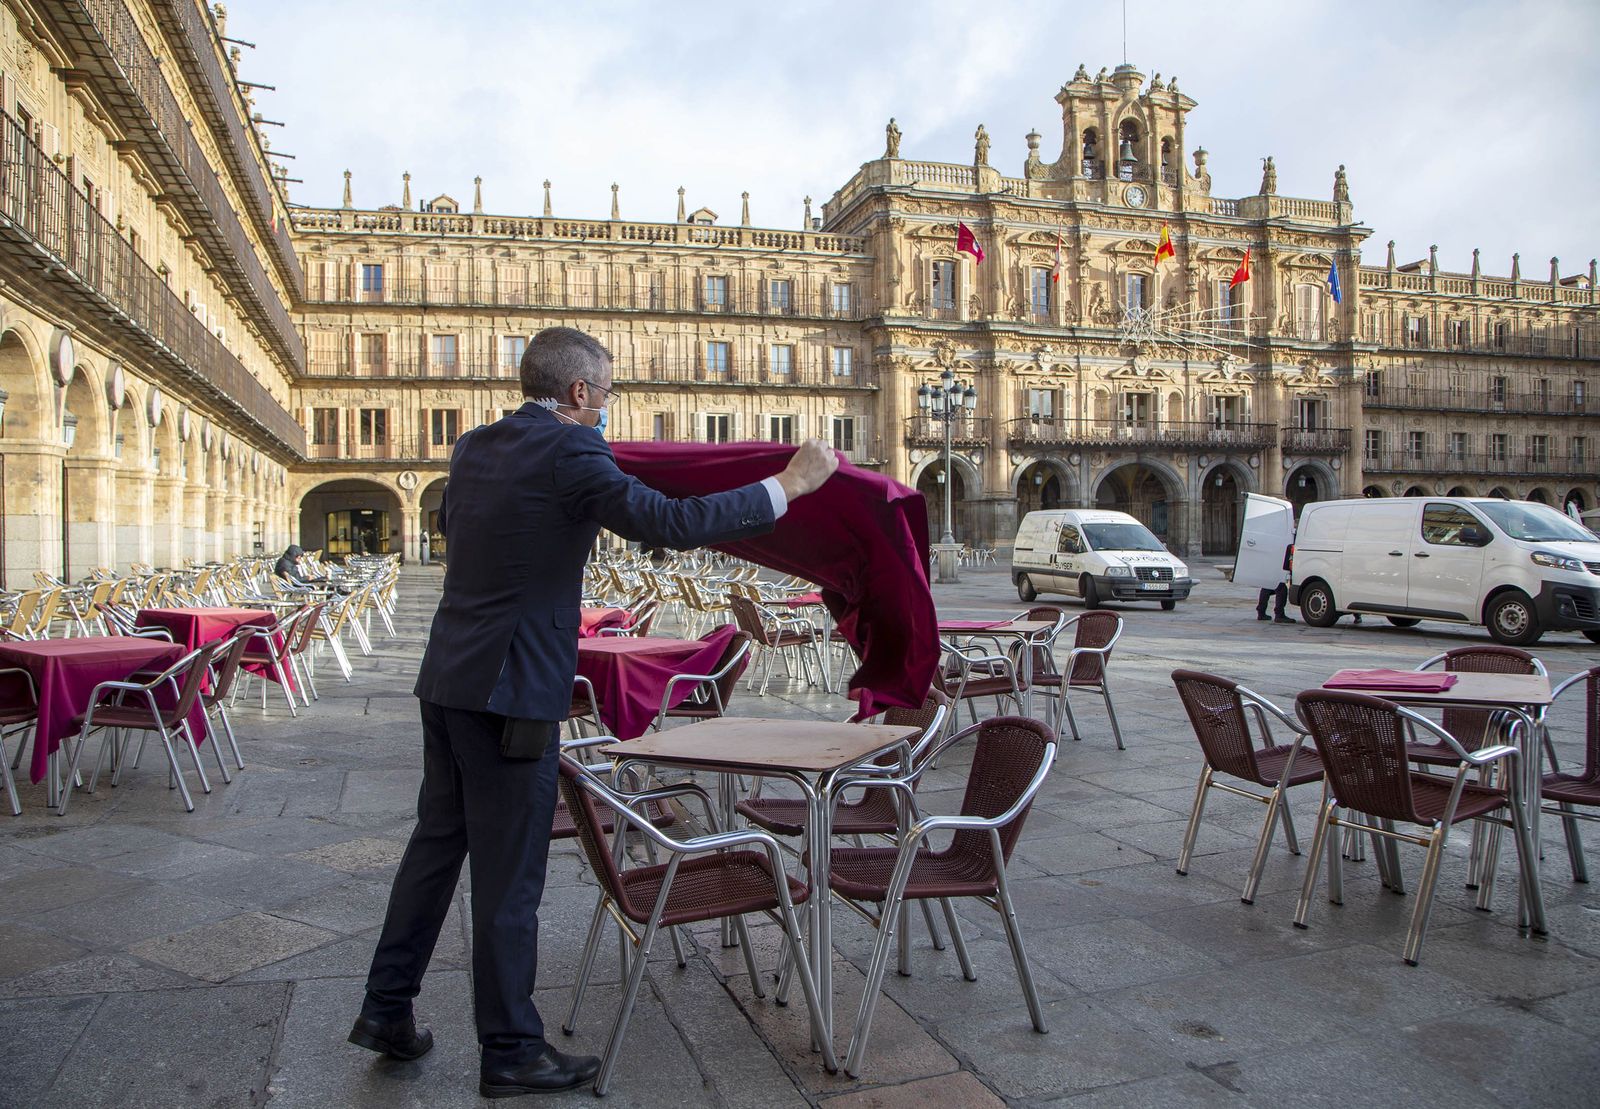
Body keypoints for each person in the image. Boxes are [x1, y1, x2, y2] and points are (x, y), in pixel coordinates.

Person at [348, 326, 838, 1098]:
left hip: (448, 679)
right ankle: (510, 1046)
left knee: (435, 849)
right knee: (510, 878)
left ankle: (386, 1008)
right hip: (513, 691)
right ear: (580, 393)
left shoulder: (475, 446)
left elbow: (476, 534)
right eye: (606, 396)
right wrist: (792, 485)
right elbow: (668, 524)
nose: (607, 411)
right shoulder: (572, 449)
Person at [1256, 541, 1295, 624]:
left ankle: (1261, 611)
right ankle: (1279, 614)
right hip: (1278, 557)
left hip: (1271, 556)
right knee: (1281, 588)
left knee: (1268, 585)